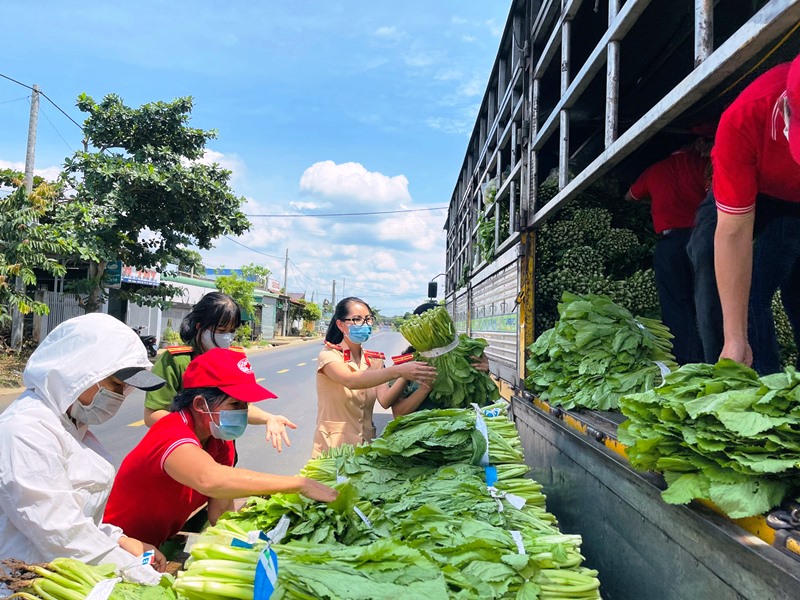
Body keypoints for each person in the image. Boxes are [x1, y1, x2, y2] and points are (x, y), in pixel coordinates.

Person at [104, 348, 338, 548]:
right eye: (234, 404)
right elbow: (210, 479)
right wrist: (298, 485)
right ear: (199, 404)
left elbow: (219, 513)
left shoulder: (219, 441)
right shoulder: (171, 432)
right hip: (117, 545)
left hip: (156, 546)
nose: (242, 413)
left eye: (245, 405)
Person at [0, 313, 168, 571]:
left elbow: (79, 515)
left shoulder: (74, 428)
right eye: (115, 384)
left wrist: (119, 540)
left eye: (124, 388)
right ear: (78, 370)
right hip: (24, 584)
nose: (119, 396)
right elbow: (61, 533)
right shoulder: (26, 430)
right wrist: (135, 572)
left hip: (63, 577)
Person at [687, 55, 800, 374]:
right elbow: (733, 232)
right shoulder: (745, 117)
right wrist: (735, 339)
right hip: (757, 189)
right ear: (786, 110)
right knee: (709, 249)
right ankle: (740, 381)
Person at [145, 292, 295, 452]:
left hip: (220, 450)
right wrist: (195, 431)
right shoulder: (176, 360)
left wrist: (269, 418)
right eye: (221, 330)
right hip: (180, 449)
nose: (227, 337)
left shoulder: (234, 359)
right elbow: (152, 414)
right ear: (199, 326)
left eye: (231, 331)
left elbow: (238, 407)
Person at [312, 297, 437, 457]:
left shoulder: (374, 360)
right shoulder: (329, 356)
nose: (364, 325)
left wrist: (406, 375)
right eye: (356, 319)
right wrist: (399, 371)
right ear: (340, 324)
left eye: (368, 319)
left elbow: (385, 400)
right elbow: (351, 380)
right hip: (333, 449)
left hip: (365, 449)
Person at [625, 140, 710, 364]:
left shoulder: (655, 171)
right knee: (706, 299)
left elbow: (630, 196)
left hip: (670, 243)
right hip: (702, 241)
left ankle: (686, 362)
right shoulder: (702, 165)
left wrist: (656, 196)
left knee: (675, 304)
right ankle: (712, 358)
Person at [378, 302, 491, 416]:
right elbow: (398, 413)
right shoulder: (406, 364)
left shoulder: (469, 353)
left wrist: (485, 372)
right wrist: (425, 388)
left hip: (465, 427)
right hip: (422, 430)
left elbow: (483, 401)